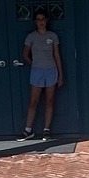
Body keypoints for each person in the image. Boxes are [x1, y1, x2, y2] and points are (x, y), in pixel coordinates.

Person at [20, 8, 63, 139]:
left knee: (49, 101)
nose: (41, 22)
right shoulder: (31, 36)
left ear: (46, 20)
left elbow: (57, 55)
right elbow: (25, 54)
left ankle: (46, 129)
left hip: (51, 70)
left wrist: (61, 75)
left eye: (43, 19)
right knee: (33, 101)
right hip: (37, 71)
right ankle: (28, 129)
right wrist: (34, 64)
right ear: (35, 21)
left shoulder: (52, 36)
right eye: (38, 20)